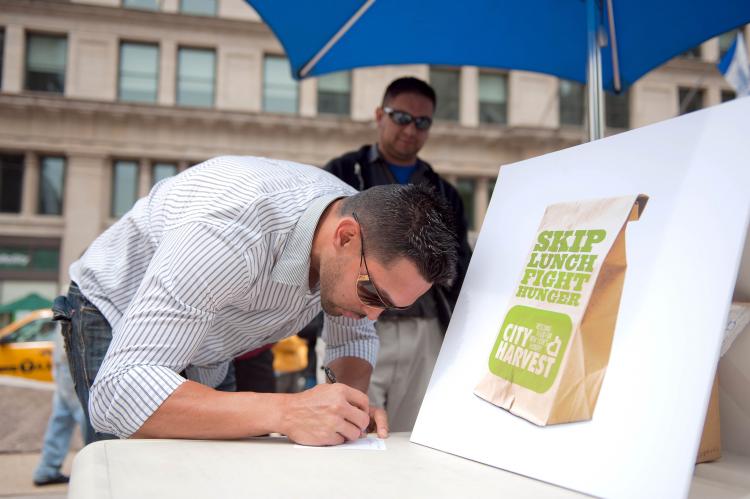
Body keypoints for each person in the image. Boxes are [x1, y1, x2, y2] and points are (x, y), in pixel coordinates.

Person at [53, 155, 458, 446]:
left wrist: (347, 411)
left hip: (216, 341)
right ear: (345, 236)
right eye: (371, 293)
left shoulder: (363, 233)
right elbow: (119, 395)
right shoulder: (228, 232)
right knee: (129, 470)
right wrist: (287, 412)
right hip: (116, 312)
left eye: (391, 306)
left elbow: (352, 338)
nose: (372, 313)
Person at [325, 77, 472, 432]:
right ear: (380, 115)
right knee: (349, 426)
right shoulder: (343, 172)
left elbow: (461, 267)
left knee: (413, 432)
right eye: (402, 117)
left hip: (424, 329)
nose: (411, 129)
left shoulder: (444, 191)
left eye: (422, 122)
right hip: (354, 321)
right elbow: (324, 253)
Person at [33, 326, 87, 486]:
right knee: (87, 417)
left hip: (63, 360)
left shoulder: (64, 300)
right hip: (71, 360)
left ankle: (46, 469)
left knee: (61, 417)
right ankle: (98, 469)